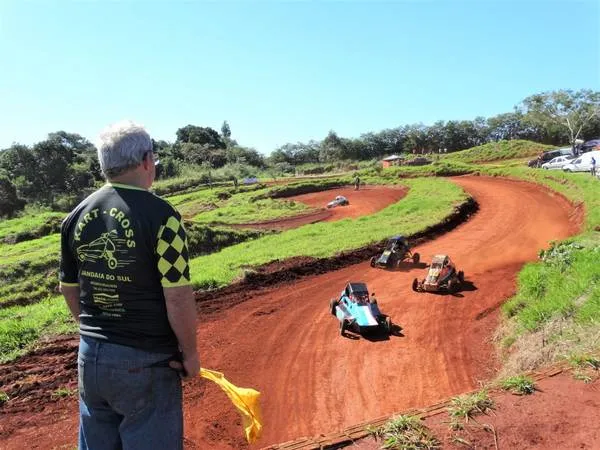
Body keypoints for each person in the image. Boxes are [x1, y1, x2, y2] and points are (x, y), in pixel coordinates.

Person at [59, 120, 200, 450]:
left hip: (90, 357)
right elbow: (178, 296)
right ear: (147, 160)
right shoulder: (163, 217)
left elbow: (68, 287)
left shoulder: (75, 215)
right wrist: (190, 353)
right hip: (146, 361)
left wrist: (99, 335)